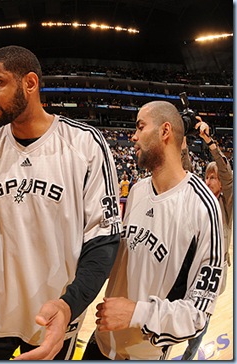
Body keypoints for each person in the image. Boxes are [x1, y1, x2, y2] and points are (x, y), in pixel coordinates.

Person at [0, 45, 121, 360]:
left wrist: (70, 303)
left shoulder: (85, 145)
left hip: (55, 313)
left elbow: (103, 239)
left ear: (30, 83)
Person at [82, 101, 225, 360]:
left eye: (140, 126)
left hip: (144, 353)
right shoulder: (137, 190)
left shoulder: (204, 206)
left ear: (165, 131)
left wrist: (137, 313)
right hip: (101, 342)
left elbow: (198, 314)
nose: (133, 136)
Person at [180, 118, 233, 360]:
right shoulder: (199, 197)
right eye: (207, 177)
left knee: (202, 318)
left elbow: (228, 175)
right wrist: (182, 144)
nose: (208, 181)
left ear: (222, 184)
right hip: (190, 265)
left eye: (213, 178)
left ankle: (190, 355)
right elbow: (187, 173)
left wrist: (210, 143)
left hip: (213, 273)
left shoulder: (227, 204)